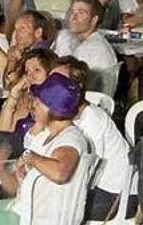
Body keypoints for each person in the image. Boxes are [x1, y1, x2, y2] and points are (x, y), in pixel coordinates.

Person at [0, 74, 89, 225]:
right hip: (24, 209)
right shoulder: (45, 135)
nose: (32, 105)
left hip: (40, 218)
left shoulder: (70, 138)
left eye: (38, 102)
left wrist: (32, 158)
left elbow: (60, 173)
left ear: (52, 108)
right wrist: (0, 168)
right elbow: (15, 187)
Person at [51, 58, 133, 221]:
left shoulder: (92, 120)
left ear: (76, 87)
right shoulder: (65, 118)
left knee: (56, 208)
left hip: (118, 195)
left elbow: (87, 174)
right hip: (99, 188)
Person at [0, 48, 57, 132]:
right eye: (27, 71)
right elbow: (3, 131)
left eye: (37, 70)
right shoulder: (25, 100)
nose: (30, 76)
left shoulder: (54, 102)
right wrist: (14, 92)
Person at [54, 0, 118, 74]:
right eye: (72, 12)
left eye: (81, 13)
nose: (73, 17)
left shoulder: (89, 48)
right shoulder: (93, 42)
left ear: (94, 20)